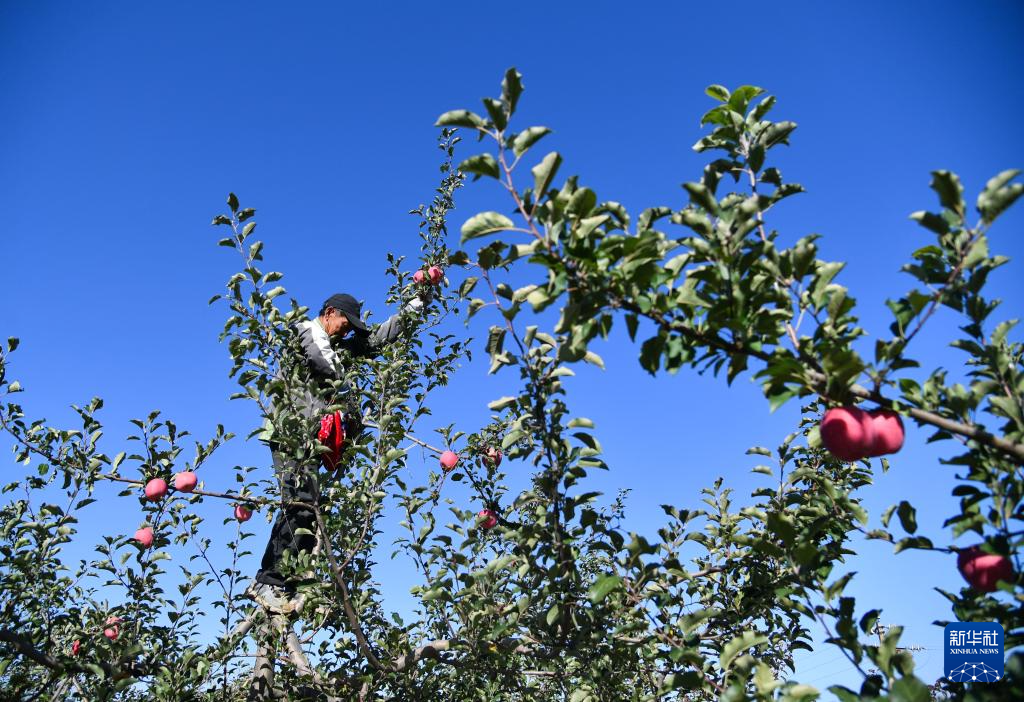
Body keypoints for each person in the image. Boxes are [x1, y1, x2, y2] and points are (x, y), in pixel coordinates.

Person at [245, 292, 423, 612]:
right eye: (345, 323)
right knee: (299, 503)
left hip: (310, 439)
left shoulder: (337, 345)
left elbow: (378, 340)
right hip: (291, 433)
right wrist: (353, 409)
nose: (348, 331)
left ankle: (288, 584)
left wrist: (416, 306)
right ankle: (268, 580)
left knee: (308, 507)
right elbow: (326, 365)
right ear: (329, 313)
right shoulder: (307, 331)